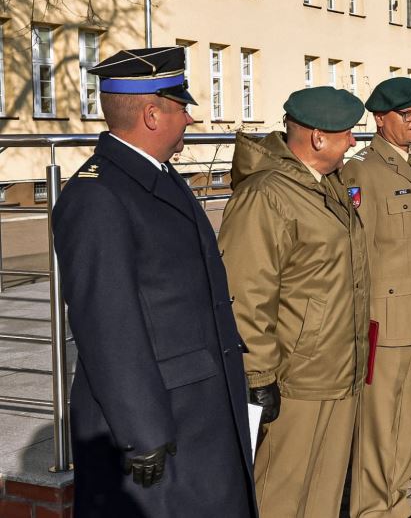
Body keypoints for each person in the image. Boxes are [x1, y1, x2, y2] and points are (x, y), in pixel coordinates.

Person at [52, 46, 257, 517]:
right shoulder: (98, 195)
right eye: (181, 107)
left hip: (197, 406)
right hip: (159, 423)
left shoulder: (155, 176)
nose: (188, 120)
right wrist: (141, 431)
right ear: (150, 113)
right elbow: (107, 326)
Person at [219, 86, 368, 518]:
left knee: (322, 491)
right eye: (347, 133)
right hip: (295, 376)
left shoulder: (326, 185)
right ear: (318, 138)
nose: (354, 141)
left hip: (336, 367)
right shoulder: (267, 195)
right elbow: (245, 293)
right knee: (281, 493)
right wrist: (259, 373)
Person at [341, 78, 411, 518]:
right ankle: (370, 509)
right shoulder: (362, 171)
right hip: (386, 320)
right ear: (381, 119)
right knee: (380, 425)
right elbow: (358, 251)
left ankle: (395, 502)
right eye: (408, 115)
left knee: (407, 427)